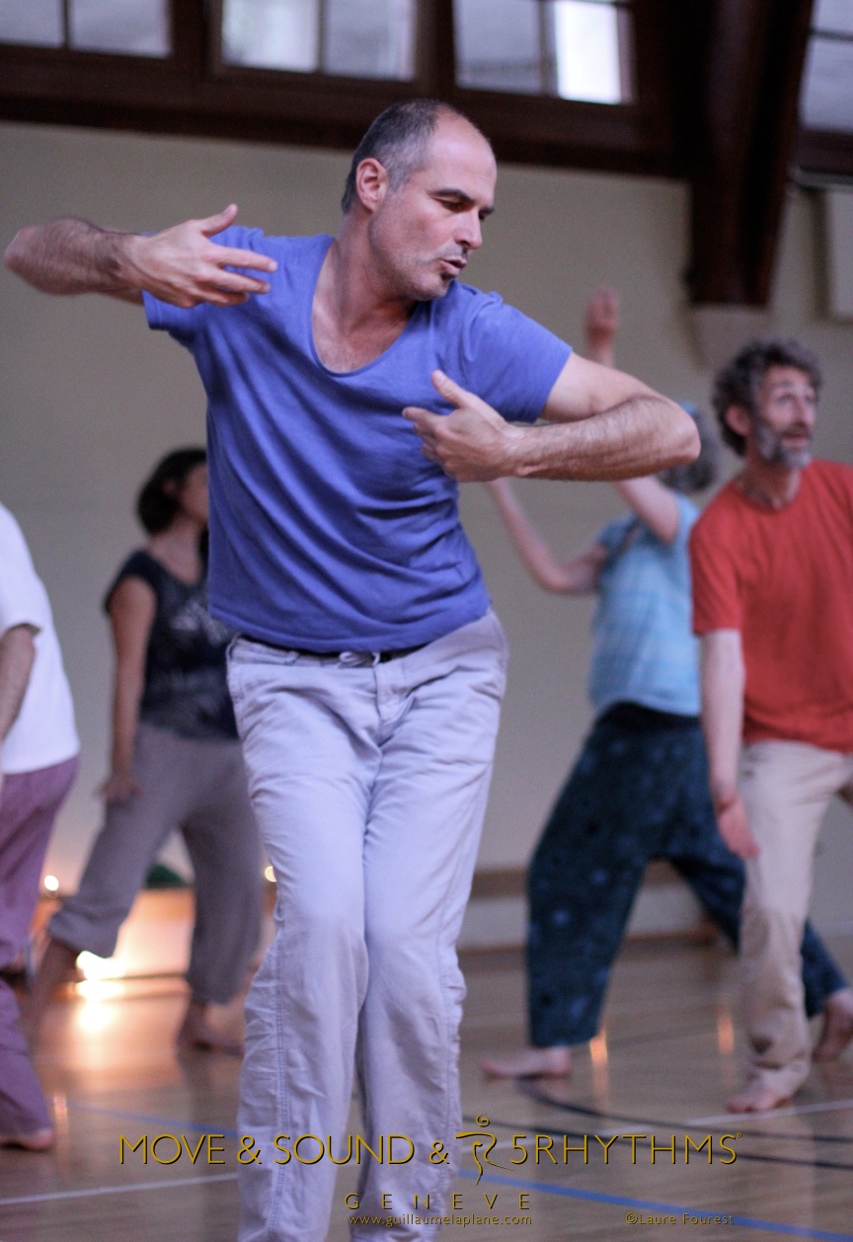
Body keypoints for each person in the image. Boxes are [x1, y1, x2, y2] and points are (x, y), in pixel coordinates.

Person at [4, 100, 698, 1240]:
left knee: (409, 959)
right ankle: (283, 1227)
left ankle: (399, 1225)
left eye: (484, 213)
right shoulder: (243, 284)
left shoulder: (472, 330)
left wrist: (518, 448)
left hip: (441, 673)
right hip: (290, 678)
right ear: (374, 185)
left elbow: (669, 428)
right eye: (452, 202)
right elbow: (33, 250)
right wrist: (131, 257)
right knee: (322, 929)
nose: (472, 232)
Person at [480, 291, 853, 1081]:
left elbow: (627, 471)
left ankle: (553, 1039)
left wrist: (600, 359)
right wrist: (499, 486)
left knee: (566, 866)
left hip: (653, 729)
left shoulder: (681, 524)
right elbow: (552, 575)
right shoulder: (624, 537)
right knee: (732, 878)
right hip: (663, 733)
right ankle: (833, 992)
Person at [25, 449, 262, 1055]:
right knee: (106, 889)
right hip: (161, 750)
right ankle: (24, 1028)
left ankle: (198, 1018)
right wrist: (122, 764)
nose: (216, 489)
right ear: (173, 488)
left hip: (228, 754)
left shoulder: (224, 568)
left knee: (238, 891)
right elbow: (127, 674)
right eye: (205, 479)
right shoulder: (140, 576)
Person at [691, 337, 853, 1114]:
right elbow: (722, 659)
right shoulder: (717, 531)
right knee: (769, 906)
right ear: (739, 417)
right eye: (784, 398)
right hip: (782, 741)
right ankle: (778, 1058)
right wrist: (724, 780)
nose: (802, 413)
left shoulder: (841, 491)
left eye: (808, 398)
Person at [0, 502, 79, 1150]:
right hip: (42, 759)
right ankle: (21, 1112)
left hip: (19, 766)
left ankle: (23, 1111)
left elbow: (18, 641)